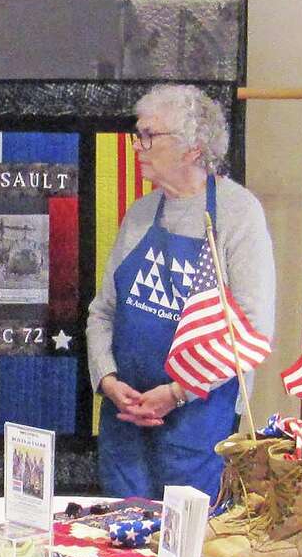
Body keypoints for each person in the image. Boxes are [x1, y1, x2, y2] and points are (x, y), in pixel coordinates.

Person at [86, 84, 275, 500]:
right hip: (126, 416)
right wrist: (107, 378)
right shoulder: (139, 213)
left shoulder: (239, 213)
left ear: (193, 148)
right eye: (139, 134)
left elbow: (252, 328)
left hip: (198, 422)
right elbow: (103, 312)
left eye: (150, 135)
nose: (138, 145)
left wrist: (175, 394)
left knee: (187, 546)